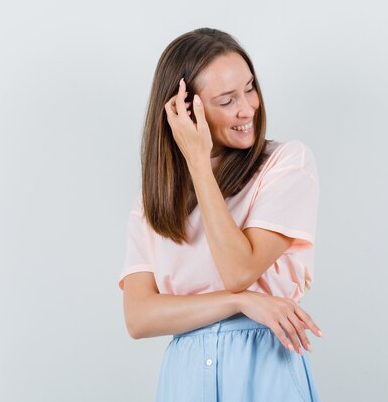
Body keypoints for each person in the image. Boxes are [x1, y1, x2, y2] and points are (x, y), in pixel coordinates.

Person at [117, 27, 323, 402]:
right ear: (182, 110)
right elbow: (139, 317)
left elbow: (238, 270)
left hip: (264, 367)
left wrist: (198, 162)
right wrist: (239, 302)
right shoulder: (153, 200)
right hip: (186, 376)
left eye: (249, 88)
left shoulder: (286, 164)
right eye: (227, 100)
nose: (247, 108)